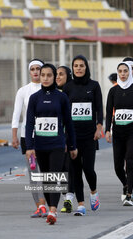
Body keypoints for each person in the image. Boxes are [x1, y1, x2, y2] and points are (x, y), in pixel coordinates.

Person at [25, 63, 78, 225]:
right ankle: (51, 207)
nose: (46, 78)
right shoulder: (34, 98)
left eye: (49, 75)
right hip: (40, 145)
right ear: (39, 77)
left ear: (54, 77)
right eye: (43, 75)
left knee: (54, 177)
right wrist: (29, 146)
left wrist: (72, 145)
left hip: (57, 143)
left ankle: (53, 210)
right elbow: (29, 124)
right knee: (46, 179)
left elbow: (69, 124)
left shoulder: (61, 97)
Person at [63, 55, 103, 216]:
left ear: (86, 67)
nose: (78, 68)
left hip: (89, 135)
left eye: (81, 65)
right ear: (72, 69)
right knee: (75, 170)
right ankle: (80, 204)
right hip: (72, 135)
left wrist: (99, 127)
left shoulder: (94, 86)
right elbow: (64, 112)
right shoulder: (68, 87)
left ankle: (93, 192)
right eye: (76, 66)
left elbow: (99, 108)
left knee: (88, 168)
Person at [105, 62, 133, 206]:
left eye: (125, 71)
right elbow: (109, 111)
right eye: (120, 71)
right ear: (117, 73)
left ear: (130, 73)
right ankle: (125, 184)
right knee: (118, 166)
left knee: (130, 162)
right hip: (118, 132)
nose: (123, 73)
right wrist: (107, 130)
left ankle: (129, 194)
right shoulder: (113, 91)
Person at [11, 58, 47, 218]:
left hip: (46, 136)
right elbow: (16, 115)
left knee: (46, 173)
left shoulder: (49, 90)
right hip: (28, 137)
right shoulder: (23, 91)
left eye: (38, 68)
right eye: (32, 69)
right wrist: (14, 136)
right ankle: (39, 206)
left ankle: (47, 204)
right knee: (33, 174)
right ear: (29, 71)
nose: (35, 71)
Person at [56, 66, 75, 213]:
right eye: (56, 74)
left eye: (61, 74)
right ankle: (65, 198)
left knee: (70, 168)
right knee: (60, 169)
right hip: (55, 138)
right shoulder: (52, 93)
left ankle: (69, 197)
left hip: (71, 135)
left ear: (68, 76)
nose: (57, 77)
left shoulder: (71, 92)